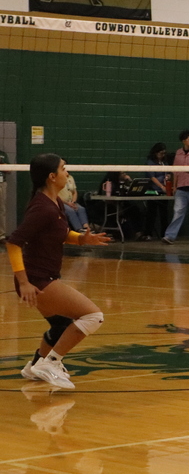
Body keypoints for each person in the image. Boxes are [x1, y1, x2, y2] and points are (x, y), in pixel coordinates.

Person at [8, 154, 111, 389]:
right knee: (93, 316)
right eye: (64, 169)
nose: (68, 173)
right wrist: (23, 282)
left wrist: (82, 240)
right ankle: (52, 362)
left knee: (61, 326)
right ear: (52, 177)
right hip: (37, 281)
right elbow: (14, 242)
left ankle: (35, 365)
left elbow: (59, 234)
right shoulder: (42, 208)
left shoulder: (56, 203)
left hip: (45, 276)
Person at [57, 165, 89, 232]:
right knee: (70, 211)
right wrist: (67, 203)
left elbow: (74, 192)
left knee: (81, 209)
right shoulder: (57, 179)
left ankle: (86, 228)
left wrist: (73, 202)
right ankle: (79, 229)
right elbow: (56, 195)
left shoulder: (71, 178)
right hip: (62, 202)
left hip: (71, 202)